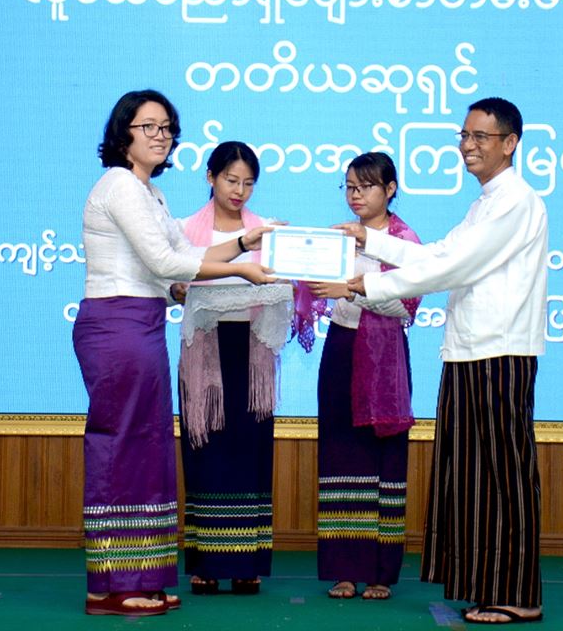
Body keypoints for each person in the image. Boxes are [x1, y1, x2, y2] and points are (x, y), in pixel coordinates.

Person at [344, 98, 548, 624]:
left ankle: (518, 592)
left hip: (500, 352)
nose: (467, 146)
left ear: (510, 143)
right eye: (464, 135)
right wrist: (372, 241)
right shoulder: (485, 203)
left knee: (503, 473)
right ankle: (488, 585)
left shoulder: (516, 201)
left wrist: (369, 284)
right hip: (471, 351)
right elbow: (437, 253)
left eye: (481, 136)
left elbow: (453, 266)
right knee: (474, 475)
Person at [73, 91, 275, 617]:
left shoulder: (151, 193)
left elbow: (186, 255)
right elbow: (166, 262)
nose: (160, 136)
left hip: (141, 324)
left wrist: (246, 242)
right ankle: (111, 586)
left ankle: (142, 575)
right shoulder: (119, 185)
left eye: (166, 127)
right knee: (121, 449)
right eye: (148, 126)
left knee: (148, 448)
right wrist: (241, 268)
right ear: (123, 133)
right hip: (116, 324)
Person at [308, 152, 421, 602]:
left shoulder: (404, 240)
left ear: (390, 190)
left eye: (366, 186)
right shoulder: (340, 238)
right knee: (340, 456)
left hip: (384, 359)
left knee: (381, 460)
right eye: (350, 187)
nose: (356, 196)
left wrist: (352, 290)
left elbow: (404, 306)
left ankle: (379, 573)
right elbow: (319, 291)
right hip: (341, 347)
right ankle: (344, 571)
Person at [173, 142, 285, 596]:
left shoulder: (267, 231)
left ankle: (246, 563)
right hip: (205, 351)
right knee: (205, 453)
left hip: (251, 352)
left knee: (250, 452)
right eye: (231, 180)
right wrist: (180, 289)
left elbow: (282, 281)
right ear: (210, 177)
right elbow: (173, 282)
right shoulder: (185, 230)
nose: (239, 191)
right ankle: (205, 564)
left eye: (248, 183)